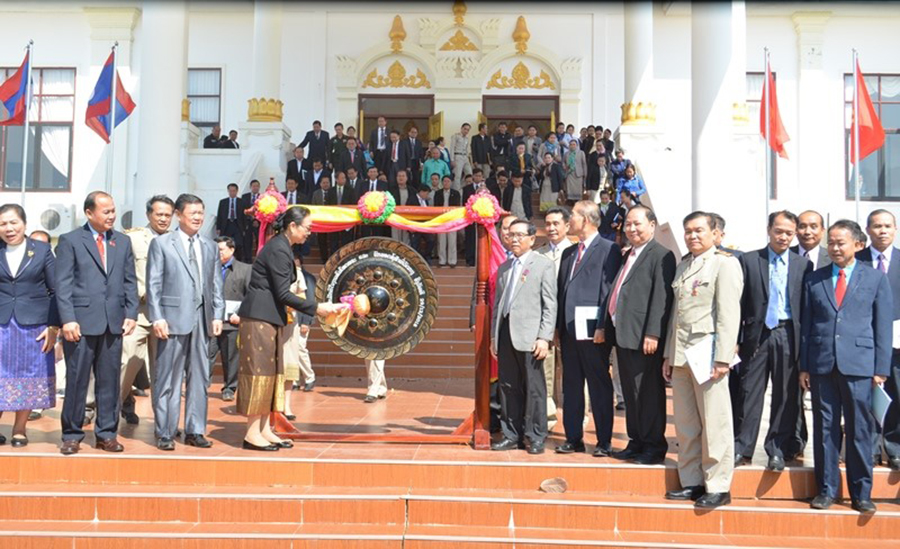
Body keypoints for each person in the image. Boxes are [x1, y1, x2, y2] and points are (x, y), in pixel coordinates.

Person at [800, 219, 891, 514]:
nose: (835, 248)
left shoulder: (875, 278)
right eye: (831, 243)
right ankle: (826, 489)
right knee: (824, 428)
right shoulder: (815, 278)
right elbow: (807, 325)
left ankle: (861, 493)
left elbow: (882, 327)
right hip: (822, 364)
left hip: (859, 366)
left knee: (859, 430)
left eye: (841, 243)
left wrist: (881, 368)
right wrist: (804, 366)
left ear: (858, 244)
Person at [238, 207, 343, 449]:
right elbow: (283, 293)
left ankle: (264, 429)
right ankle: (251, 433)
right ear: (292, 226)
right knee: (259, 374)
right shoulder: (278, 249)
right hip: (259, 318)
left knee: (272, 374)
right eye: (307, 228)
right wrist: (317, 308)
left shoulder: (283, 247)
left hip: (270, 318)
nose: (309, 232)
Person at [663, 211, 742, 509]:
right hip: (682, 355)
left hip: (708, 356)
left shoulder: (724, 264)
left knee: (715, 421)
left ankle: (718, 485)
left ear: (714, 233)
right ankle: (692, 480)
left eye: (699, 230)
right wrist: (668, 354)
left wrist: (723, 358)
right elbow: (676, 316)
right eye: (688, 231)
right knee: (686, 423)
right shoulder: (684, 265)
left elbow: (728, 315)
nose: (692, 236)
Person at [57, 191, 138, 455]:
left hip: (113, 323)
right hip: (80, 323)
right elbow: (63, 285)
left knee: (110, 382)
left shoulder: (122, 242)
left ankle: (107, 434)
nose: (112, 215)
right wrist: (68, 319)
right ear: (89, 213)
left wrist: (131, 313)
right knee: (77, 380)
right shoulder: (71, 241)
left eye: (113, 210)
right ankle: (71, 434)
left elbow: (129, 281)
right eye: (106, 211)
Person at [734, 211, 811, 471]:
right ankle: (742, 446)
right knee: (749, 392)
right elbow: (739, 303)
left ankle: (777, 449)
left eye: (789, 233)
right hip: (757, 335)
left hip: (788, 334)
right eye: (779, 231)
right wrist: (737, 339)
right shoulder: (749, 260)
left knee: (785, 394)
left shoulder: (803, 265)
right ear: (769, 230)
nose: (784, 237)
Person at [147, 194, 224, 451]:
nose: (198, 217)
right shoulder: (162, 244)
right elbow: (154, 283)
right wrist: (157, 317)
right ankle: (165, 431)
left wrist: (218, 314)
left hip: (203, 319)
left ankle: (195, 429)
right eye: (193, 213)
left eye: (201, 213)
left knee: (200, 377)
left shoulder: (210, 246)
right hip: (172, 319)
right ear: (179, 215)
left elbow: (216, 284)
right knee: (168, 378)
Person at [605, 206, 675, 465]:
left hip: (644, 338)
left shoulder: (661, 255)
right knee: (631, 393)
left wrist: (653, 333)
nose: (631, 229)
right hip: (624, 335)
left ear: (652, 225)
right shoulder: (629, 254)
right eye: (628, 224)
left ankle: (653, 446)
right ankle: (636, 441)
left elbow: (661, 297)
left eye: (637, 224)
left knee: (648, 394)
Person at [555, 201, 621, 457]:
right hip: (570, 331)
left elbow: (608, 290)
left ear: (586, 219)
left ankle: (604, 441)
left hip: (594, 332)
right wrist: (558, 328)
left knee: (598, 385)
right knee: (571, 386)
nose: (568, 220)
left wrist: (603, 326)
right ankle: (573, 438)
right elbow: (562, 291)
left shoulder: (608, 249)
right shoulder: (569, 252)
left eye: (572, 215)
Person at [490, 219, 557, 455]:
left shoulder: (543, 265)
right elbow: (498, 306)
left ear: (532, 239)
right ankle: (511, 434)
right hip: (506, 335)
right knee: (508, 387)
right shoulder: (504, 268)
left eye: (520, 235)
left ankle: (536, 435)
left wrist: (544, 337)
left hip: (531, 338)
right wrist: (494, 337)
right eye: (511, 235)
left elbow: (550, 304)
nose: (514, 239)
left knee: (535, 389)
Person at [0, 204, 58, 448]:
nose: (9, 228)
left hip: (34, 326)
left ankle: (20, 428)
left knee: (27, 375)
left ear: (24, 223)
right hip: (1, 323)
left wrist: (54, 326)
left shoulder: (42, 250)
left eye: (13, 222)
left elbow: (56, 290)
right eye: (3, 224)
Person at [119, 195, 174, 425]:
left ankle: (163, 423)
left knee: (163, 372)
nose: (163, 219)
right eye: (159, 214)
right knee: (126, 362)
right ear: (148, 214)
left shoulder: (177, 241)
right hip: (138, 313)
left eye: (168, 215)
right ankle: (110, 412)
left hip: (167, 316)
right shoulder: (132, 239)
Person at [857, 209, 900, 470]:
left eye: (887, 226)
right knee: (864, 396)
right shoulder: (856, 260)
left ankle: (894, 448)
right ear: (867, 230)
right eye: (877, 226)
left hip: (897, 343)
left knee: (896, 395)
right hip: (862, 340)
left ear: (895, 229)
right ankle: (869, 449)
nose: (882, 231)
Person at [536, 206, 574, 424]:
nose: (551, 228)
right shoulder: (538, 254)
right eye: (548, 224)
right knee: (546, 374)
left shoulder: (578, 252)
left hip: (570, 325)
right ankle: (547, 419)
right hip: (546, 326)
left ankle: (577, 419)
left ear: (567, 226)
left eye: (556, 223)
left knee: (574, 375)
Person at [209, 236, 251, 402]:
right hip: (211, 321)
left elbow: (250, 296)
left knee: (231, 357)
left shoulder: (245, 269)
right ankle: (202, 384)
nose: (218, 253)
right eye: (216, 250)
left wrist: (241, 315)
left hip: (231, 322)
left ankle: (229, 388)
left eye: (221, 249)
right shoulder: (208, 267)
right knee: (206, 355)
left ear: (232, 250)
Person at [434, 175, 461, 268]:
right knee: (441, 240)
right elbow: (436, 206)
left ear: (451, 182)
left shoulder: (456, 193)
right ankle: (442, 260)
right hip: (441, 218)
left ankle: (452, 260)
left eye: (448, 181)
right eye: (444, 181)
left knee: (452, 240)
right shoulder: (438, 193)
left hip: (452, 219)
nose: (446, 183)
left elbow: (457, 206)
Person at [327, 171, 358, 249]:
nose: (344, 179)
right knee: (334, 240)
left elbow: (353, 203)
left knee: (346, 239)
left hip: (346, 218)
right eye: (342, 178)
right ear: (336, 179)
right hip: (334, 219)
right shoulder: (331, 191)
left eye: (344, 178)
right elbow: (328, 204)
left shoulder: (350, 190)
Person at [216, 184, 245, 259]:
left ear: (237, 191)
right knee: (226, 243)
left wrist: (244, 228)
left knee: (238, 244)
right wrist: (218, 227)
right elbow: (219, 215)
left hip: (237, 224)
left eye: (234, 191)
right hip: (227, 224)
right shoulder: (223, 202)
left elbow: (244, 216)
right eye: (230, 191)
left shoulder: (241, 202)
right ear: (228, 191)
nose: (232, 193)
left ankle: (238, 260)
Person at [409, 186, 435, 261]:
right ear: (421, 192)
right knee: (415, 244)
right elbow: (409, 213)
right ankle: (416, 260)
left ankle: (425, 256)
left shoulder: (425, 201)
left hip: (424, 226)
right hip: (415, 226)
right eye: (427, 193)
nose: (427, 196)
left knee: (431, 240)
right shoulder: (412, 199)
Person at [389, 170, 413, 246]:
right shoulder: (391, 190)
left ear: (407, 178)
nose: (401, 178)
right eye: (399, 176)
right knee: (395, 239)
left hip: (407, 218)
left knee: (406, 239)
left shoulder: (412, 190)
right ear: (396, 178)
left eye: (403, 176)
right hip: (395, 217)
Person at [311, 175, 332, 261]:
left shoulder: (333, 192)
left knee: (331, 241)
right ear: (320, 184)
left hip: (332, 221)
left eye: (327, 182)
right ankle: (324, 259)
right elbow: (313, 206)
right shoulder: (316, 194)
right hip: (320, 221)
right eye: (324, 183)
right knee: (321, 240)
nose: (326, 184)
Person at [240, 180, 262, 262]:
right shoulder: (245, 197)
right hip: (247, 222)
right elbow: (242, 210)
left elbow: (263, 211)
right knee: (247, 241)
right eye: (254, 186)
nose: (255, 188)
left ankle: (259, 258)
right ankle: (248, 259)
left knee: (259, 241)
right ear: (250, 187)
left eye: (257, 186)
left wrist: (256, 220)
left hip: (259, 223)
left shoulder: (262, 197)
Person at [563, 139, 587, 206]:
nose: (572, 146)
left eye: (574, 144)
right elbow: (563, 162)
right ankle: (570, 201)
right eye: (571, 144)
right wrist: (564, 166)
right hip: (569, 173)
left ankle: (577, 202)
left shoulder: (581, 153)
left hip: (578, 174)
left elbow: (584, 164)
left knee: (578, 190)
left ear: (576, 145)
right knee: (569, 189)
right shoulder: (566, 154)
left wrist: (585, 174)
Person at [449, 123, 472, 192]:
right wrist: (452, 159)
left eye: (468, 130)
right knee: (457, 175)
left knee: (469, 173)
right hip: (458, 156)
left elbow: (467, 149)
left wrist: (469, 159)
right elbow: (452, 148)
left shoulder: (467, 138)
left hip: (465, 156)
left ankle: (462, 187)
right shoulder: (456, 136)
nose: (466, 131)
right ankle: (456, 191)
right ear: (461, 128)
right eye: (465, 129)